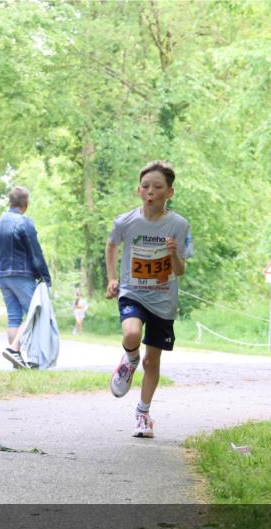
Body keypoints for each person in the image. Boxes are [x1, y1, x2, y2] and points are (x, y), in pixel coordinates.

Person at [105, 160, 193, 438]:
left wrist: (173, 254)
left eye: (157, 187)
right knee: (131, 334)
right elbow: (111, 244)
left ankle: (143, 414)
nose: (150, 191)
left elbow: (180, 271)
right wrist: (111, 279)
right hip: (133, 292)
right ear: (138, 191)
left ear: (170, 192)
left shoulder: (179, 225)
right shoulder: (126, 221)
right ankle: (129, 361)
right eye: (145, 186)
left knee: (152, 363)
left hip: (163, 300)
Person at [0, 186, 52, 369]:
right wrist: (45, 277)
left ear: (11, 202)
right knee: (36, 313)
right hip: (21, 274)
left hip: (2, 275)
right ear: (25, 204)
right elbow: (35, 253)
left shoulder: (0, 222)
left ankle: (16, 360)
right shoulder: (25, 222)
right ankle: (14, 350)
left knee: (14, 317)